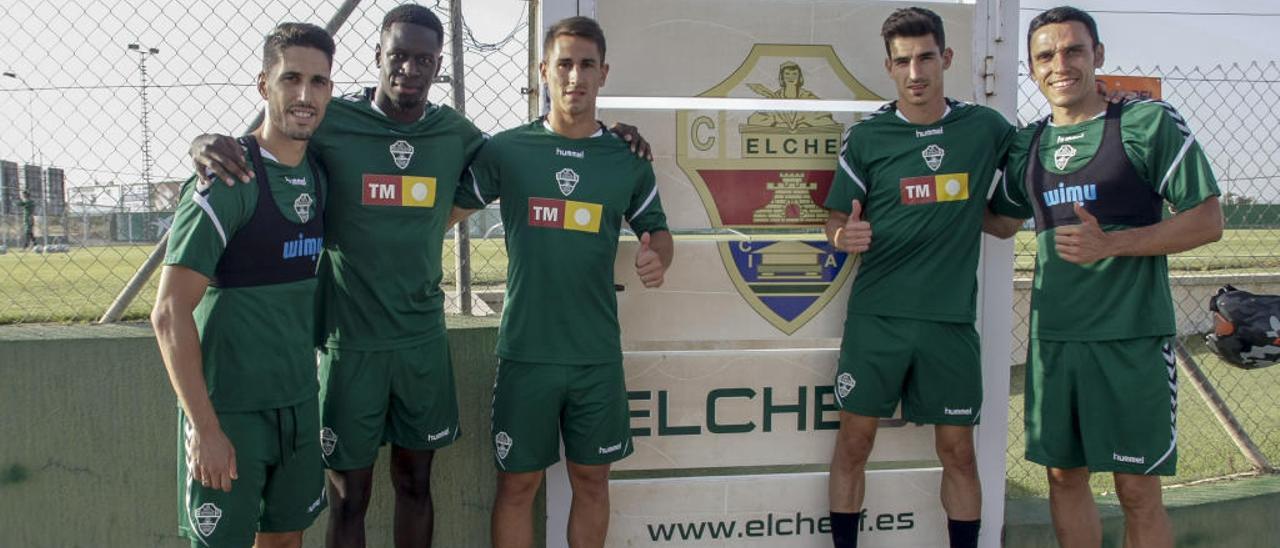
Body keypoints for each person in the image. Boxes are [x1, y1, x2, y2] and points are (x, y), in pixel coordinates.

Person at [188, 6, 651, 546]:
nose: (410, 67)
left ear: (438, 66)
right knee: (348, 495)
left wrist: (611, 136)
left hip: (422, 342)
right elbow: (265, 143)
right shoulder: (329, 118)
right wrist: (203, 143)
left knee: (415, 482)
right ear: (378, 56)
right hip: (349, 342)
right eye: (399, 55)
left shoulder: (455, 132)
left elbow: (536, 151)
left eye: (424, 59)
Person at [988, 7, 1223, 548]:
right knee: (1064, 477)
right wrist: (911, 202)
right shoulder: (1028, 144)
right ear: (1031, 68)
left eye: (1073, 50)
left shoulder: (1147, 123)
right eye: (1045, 55)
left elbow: (1208, 220)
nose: (1060, 64)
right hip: (1057, 344)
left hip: (1131, 341)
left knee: (1137, 491)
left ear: (1097, 56)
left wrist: (1113, 243)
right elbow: (999, 220)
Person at [450, 16, 673, 548]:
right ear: (544, 71)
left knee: (592, 481)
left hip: (595, 355)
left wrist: (657, 257)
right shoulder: (507, 150)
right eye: (565, 65)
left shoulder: (627, 160)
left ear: (604, 74)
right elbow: (444, 214)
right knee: (518, 484)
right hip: (527, 351)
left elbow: (658, 233)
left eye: (587, 65)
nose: (576, 77)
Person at [823, 7, 1021, 548]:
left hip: (949, 322)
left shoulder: (984, 128)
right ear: (889, 67)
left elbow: (1031, 170)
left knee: (958, 452)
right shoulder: (867, 138)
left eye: (926, 58)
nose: (916, 72)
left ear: (946, 59)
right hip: (877, 319)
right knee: (854, 445)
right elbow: (836, 220)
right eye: (904, 61)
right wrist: (844, 237)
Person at [151, 22, 335, 548]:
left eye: (319, 81)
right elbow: (168, 314)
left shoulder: (321, 174)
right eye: (291, 78)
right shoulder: (227, 179)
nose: (305, 95)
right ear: (264, 86)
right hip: (230, 413)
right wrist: (206, 428)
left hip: (299, 404)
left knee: (286, 540)